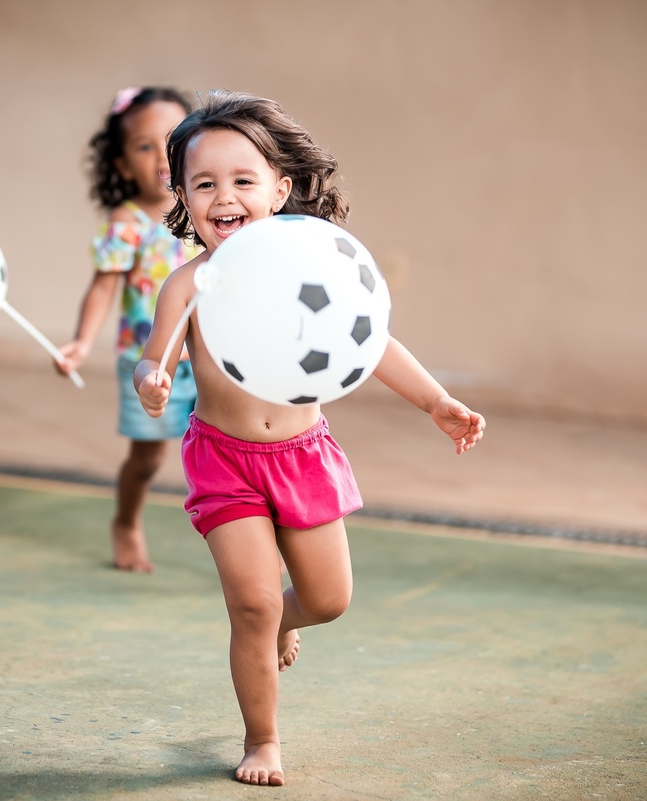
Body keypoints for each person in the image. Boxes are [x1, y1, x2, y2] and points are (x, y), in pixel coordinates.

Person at [135, 90, 486, 787]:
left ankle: (277, 621)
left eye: (243, 180)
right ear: (182, 194)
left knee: (326, 599)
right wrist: (153, 379)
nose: (224, 197)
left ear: (280, 188)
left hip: (302, 455)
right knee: (254, 602)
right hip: (224, 460)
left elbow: (371, 341)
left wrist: (435, 401)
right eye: (204, 183)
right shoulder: (189, 284)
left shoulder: (310, 269)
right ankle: (262, 736)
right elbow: (158, 356)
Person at [55, 86, 200, 572]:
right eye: (144, 146)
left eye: (173, 139)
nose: (162, 155)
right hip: (149, 363)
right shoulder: (128, 222)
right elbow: (102, 289)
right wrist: (81, 341)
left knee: (237, 453)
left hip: (210, 360)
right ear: (121, 165)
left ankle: (263, 541)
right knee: (148, 460)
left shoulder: (207, 210)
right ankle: (126, 521)